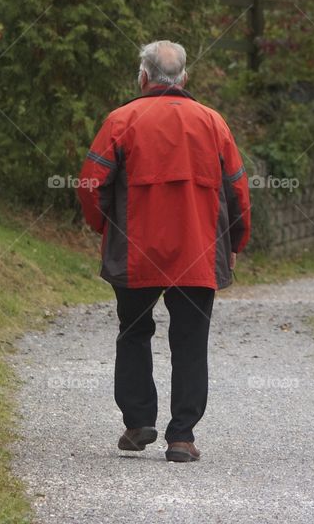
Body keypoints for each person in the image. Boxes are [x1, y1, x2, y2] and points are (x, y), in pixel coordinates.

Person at [77, 40, 251, 463]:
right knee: (190, 341)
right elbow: (238, 190)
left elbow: (90, 184)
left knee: (133, 333)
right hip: (198, 249)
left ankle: (138, 423)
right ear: (185, 78)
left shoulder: (122, 120)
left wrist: (106, 227)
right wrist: (235, 242)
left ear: (143, 76)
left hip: (136, 252)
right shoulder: (213, 123)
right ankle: (182, 437)